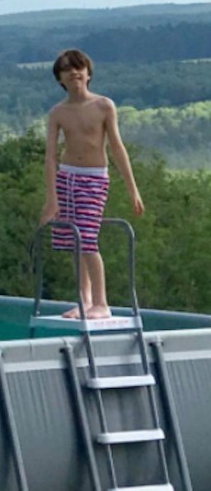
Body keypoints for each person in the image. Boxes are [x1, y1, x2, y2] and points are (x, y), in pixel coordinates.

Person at [40, 49, 144, 319]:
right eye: (67, 69)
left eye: (79, 68)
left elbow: (118, 148)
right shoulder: (58, 113)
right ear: (60, 78)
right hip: (67, 175)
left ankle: (101, 302)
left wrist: (132, 188)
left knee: (87, 238)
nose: (74, 73)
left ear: (88, 73)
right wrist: (51, 198)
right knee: (72, 239)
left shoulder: (103, 106)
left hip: (94, 177)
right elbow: (50, 156)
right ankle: (84, 299)